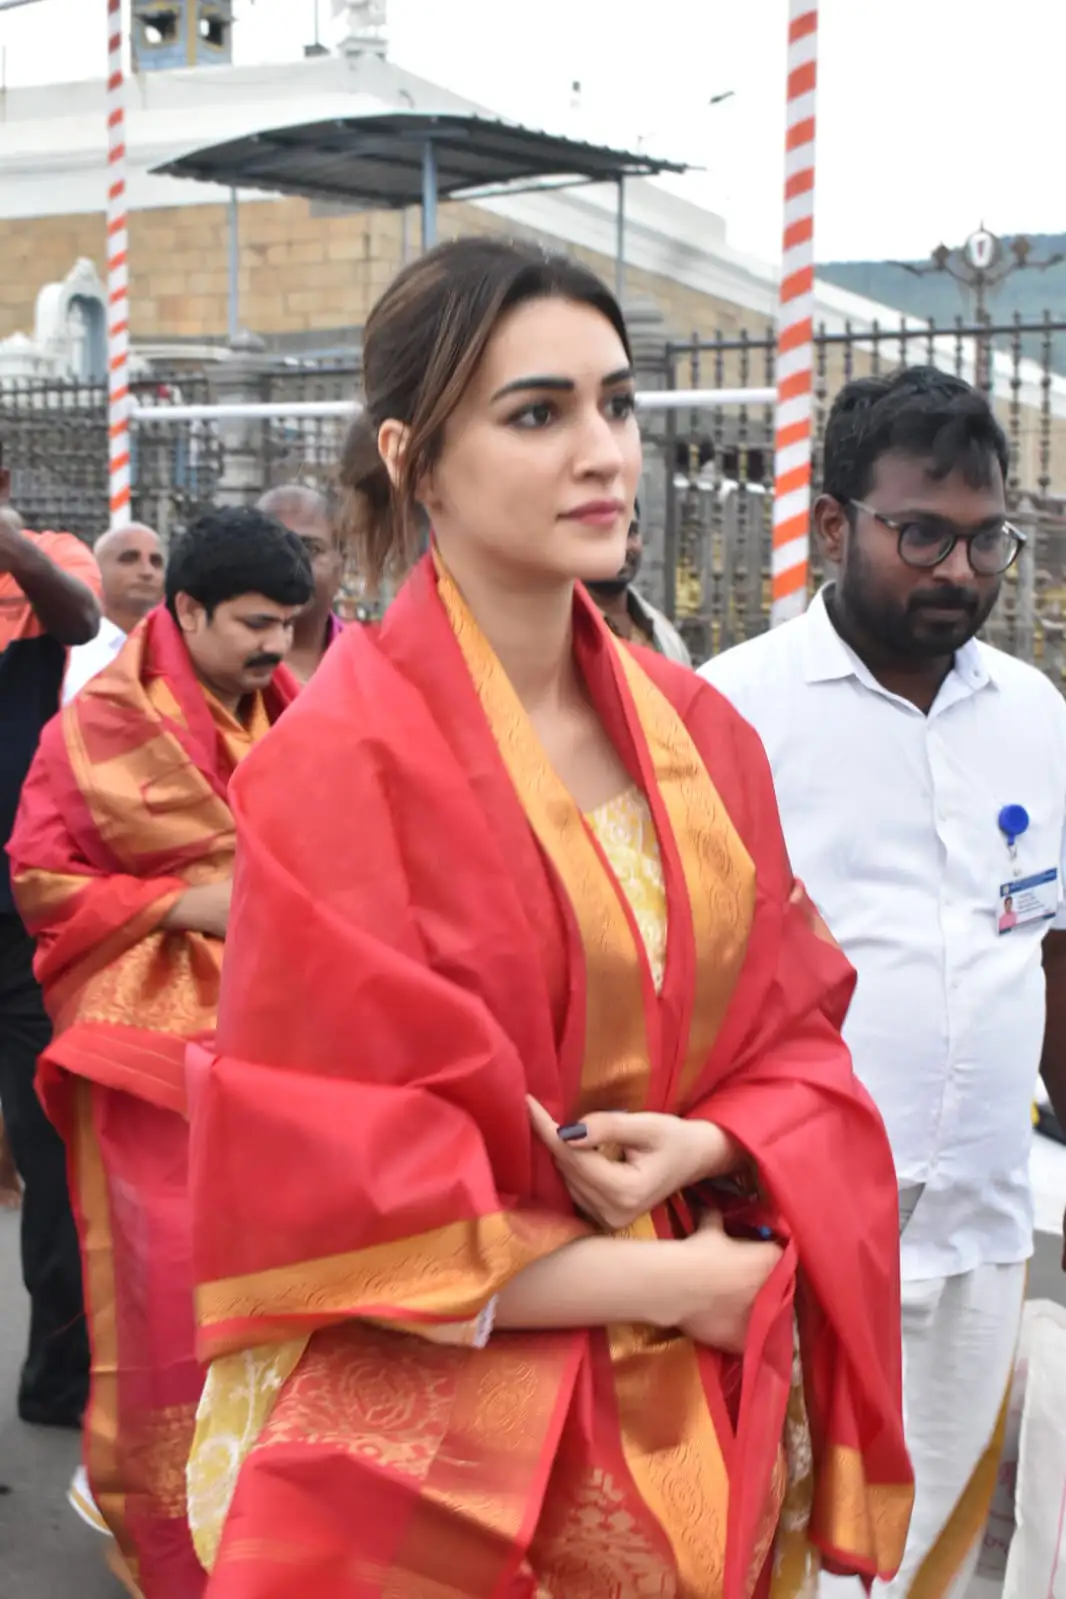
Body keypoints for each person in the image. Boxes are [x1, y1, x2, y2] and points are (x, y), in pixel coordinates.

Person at [183, 237, 912, 1599]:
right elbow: (331, 1186)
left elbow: (796, 1031)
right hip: (470, 1427)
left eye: (617, 402)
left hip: (713, 1380)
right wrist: (672, 1284)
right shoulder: (335, 768)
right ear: (416, 459)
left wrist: (710, 1134)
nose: (604, 452)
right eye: (538, 412)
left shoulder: (702, 739)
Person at [700, 366, 1066, 1597]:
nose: (958, 573)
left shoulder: (1033, 714)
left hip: (979, 1230)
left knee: (938, 1555)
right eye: (922, 534)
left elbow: (1047, 950)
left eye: (987, 541)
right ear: (834, 520)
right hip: (793, 1235)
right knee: (795, 1549)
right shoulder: (730, 714)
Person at [8, 506, 313, 1599]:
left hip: (299, 1048)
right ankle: (176, 1531)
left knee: (298, 1289)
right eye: (254, 625)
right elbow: (43, 882)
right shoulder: (91, 730)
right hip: (154, 1061)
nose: (277, 647)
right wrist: (192, 902)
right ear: (185, 611)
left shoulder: (298, 712)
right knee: (174, 1289)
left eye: (288, 623)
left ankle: (283, 1521)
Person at [0, 456, 100, 1432]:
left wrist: (9, 541)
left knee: (54, 1158)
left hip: (15, 925)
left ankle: (59, 1383)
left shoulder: (44, 564)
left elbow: (77, 620)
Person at [63, 522, 165, 702]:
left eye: (156, 562)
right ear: (95, 569)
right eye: (129, 559)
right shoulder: (69, 653)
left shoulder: (182, 651)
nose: (147, 571)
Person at [585, 496, 693, 664]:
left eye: (631, 532)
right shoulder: (556, 632)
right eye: (606, 532)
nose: (622, 547)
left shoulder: (663, 634)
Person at [256, 484, 345, 682]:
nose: (291, 565)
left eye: (310, 549)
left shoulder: (371, 664)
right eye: (273, 547)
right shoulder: (216, 669)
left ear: (341, 567)